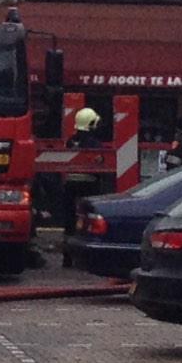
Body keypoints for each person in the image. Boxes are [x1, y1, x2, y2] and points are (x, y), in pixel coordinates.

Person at [62, 107, 104, 265]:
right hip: (89, 186)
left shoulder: (70, 141)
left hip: (70, 185)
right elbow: (101, 162)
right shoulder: (94, 143)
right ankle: (88, 256)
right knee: (90, 219)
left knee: (69, 221)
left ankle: (67, 258)